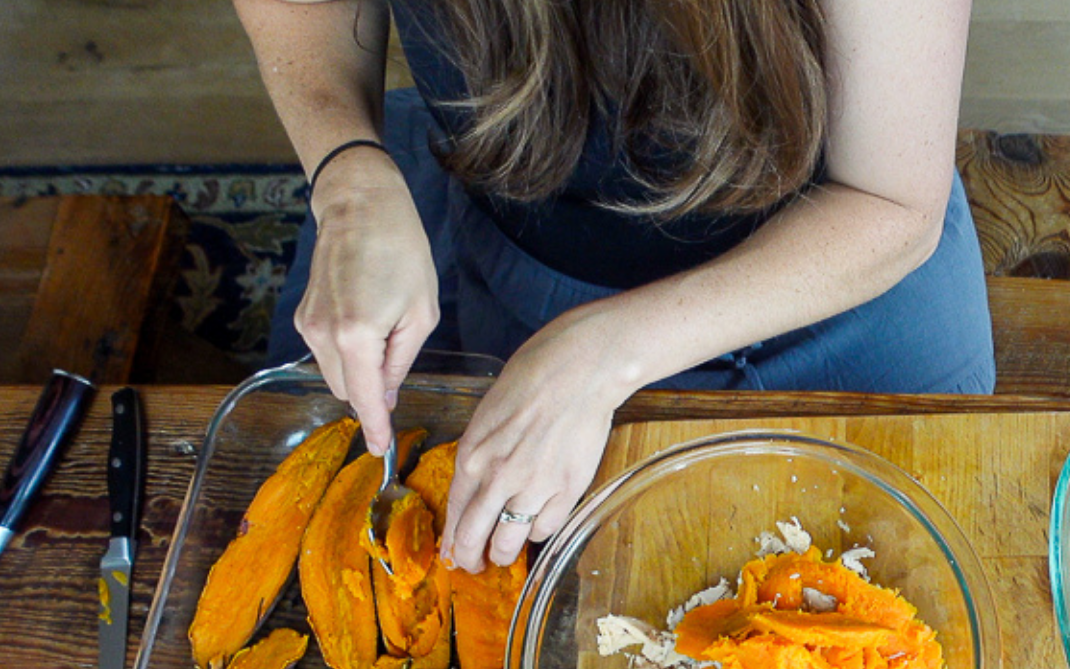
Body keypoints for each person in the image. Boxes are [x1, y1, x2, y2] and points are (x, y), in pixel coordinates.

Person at [237, 0, 994, 572]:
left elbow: (893, 203)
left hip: (847, 272)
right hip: (533, 273)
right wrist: (349, 177)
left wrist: (604, 355)